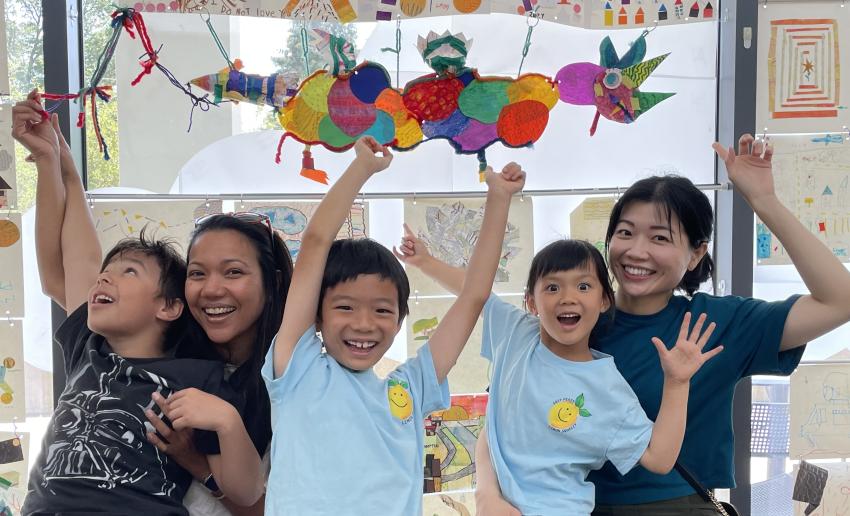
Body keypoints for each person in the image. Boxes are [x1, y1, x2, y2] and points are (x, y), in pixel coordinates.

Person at [477, 135, 850, 514]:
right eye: (625, 233)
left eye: (659, 238)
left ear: (696, 253)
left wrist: (764, 202)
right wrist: (487, 494)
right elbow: (500, 417)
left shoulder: (715, 323)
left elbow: (840, 300)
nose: (637, 251)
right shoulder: (567, 322)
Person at [13, 91, 264, 514]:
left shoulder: (200, 378)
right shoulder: (88, 349)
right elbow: (75, 254)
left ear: (168, 306)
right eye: (106, 273)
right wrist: (52, 159)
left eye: (128, 271)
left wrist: (226, 419)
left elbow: (248, 494)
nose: (104, 277)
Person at [262, 135, 526, 514]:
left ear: (400, 319)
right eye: (346, 307)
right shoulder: (298, 369)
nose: (365, 324)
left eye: (382, 311)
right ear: (317, 315)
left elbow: (473, 296)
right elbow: (317, 242)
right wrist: (362, 168)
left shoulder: (411, 388)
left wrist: (499, 199)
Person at [396, 231, 722, 514]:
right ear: (531, 303)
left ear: (605, 301)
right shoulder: (517, 334)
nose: (567, 297)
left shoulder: (606, 386)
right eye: (552, 288)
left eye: (583, 286)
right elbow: (474, 291)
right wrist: (425, 262)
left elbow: (659, 458)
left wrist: (677, 383)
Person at [149, 211, 293, 516]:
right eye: (198, 274)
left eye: (233, 272)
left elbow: (278, 510)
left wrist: (197, 462)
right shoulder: (168, 357)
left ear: (273, 283)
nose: (211, 290)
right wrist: (60, 174)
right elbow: (65, 277)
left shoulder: (293, 381)